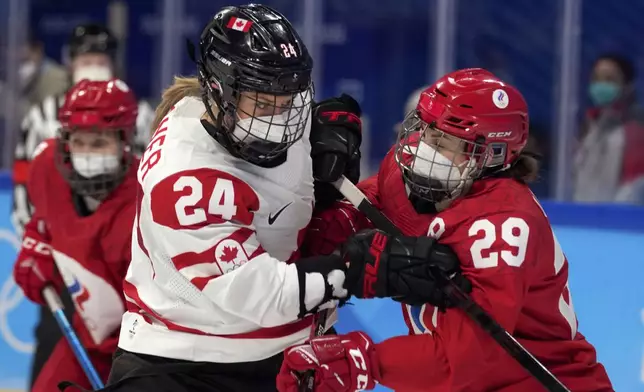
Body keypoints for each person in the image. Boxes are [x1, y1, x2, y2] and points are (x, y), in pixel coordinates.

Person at [98, 4, 457, 392]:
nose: (282, 117)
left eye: (289, 98)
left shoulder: (259, 114)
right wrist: (353, 271)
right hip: (187, 365)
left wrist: (328, 124)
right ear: (220, 92)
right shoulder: (185, 178)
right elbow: (260, 294)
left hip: (285, 353)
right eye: (265, 103)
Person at [280, 68, 614, 391]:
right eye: (425, 130)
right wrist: (327, 206)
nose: (423, 148)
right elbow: (368, 205)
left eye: (445, 142)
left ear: (491, 155)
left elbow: (465, 360)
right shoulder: (409, 177)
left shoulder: (501, 227)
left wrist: (361, 361)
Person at [11, 24, 154, 387]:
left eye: (100, 142)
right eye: (80, 141)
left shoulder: (148, 203)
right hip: (86, 335)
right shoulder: (47, 166)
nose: (87, 154)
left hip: (148, 348)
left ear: (126, 142)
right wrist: (39, 248)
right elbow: (42, 217)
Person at [574, 53, 644, 204]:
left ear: (627, 86)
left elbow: (634, 189)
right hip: (581, 216)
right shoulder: (588, 126)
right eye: (596, 79)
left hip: (616, 221)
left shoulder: (635, 132)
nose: (601, 85)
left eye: (610, 79)